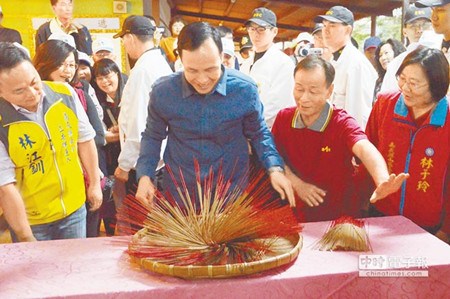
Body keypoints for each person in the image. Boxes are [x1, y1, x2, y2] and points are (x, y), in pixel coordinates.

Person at [135, 22, 294, 208]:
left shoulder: (244, 90)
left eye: (211, 69)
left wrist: (274, 168)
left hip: (231, 195)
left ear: (222, 56)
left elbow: (259, 133)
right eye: (192, 71)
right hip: (181, 195)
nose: (202, 80)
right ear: (180, 60)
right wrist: (145, 175)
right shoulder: (163, 92)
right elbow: (153, 136)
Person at [272, 55, 407, 222]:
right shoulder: (284, 118)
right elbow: (274, 156)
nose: (304, 98)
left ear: (329, 91)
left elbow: (364, 148)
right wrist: (297, 183)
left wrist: (382, 179)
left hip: (337, 217)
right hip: (294, 216)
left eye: (313, 91)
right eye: (299, 89)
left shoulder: (341, 122)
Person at [0, 42, 102, 242]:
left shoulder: (65, 93)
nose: (32, 93)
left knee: (74, 268)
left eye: (34, 82)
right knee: (38, 273)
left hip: (74, 209)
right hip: (32, 220)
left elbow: (85, 139)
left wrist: (95, 184)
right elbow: (5, 186)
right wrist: (25, 236)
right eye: (19, 91)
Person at [366, 46, 449, 243]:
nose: (404, 88)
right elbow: (367, 153)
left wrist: (446, 230)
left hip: (428, 226)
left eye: (414, 83)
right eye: (402, 79)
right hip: (381, 215)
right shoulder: (385, 104)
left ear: (436, 86)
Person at [33, 39, 106, 237]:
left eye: (72, 65)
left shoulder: (70, 93)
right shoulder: (19, 101)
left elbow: (89, 138)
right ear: (44, 63)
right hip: (34, 209)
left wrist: (93, 184)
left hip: (72, 201)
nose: (67, 70)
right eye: (61, 64)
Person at [112, 16, 172, 196]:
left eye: (123, 40)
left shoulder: (142, 71)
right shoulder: (160, 63)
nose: (124, 45)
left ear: (129, 38)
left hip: (146, 166)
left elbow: (139, 124)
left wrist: (125, 164)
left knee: (145, 222)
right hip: (160, 160)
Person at [314, 6, 377, 129]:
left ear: (348, 30)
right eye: (324, 25)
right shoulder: (333, 60)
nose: (325, 31)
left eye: (332, 25)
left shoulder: (356, 64)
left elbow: (358, 117)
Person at [240, 7, 295, 129]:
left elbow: (277, 105)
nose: (255, 34)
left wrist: (249, 126)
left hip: (270, 132)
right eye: (252, 29)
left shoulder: (283, 63)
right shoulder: (246, 64)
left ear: (274, 31)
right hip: (245, 130)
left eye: (261, 29)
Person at [380, 4, 432, 93]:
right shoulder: (396, 64)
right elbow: (387, 97)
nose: (419, 30)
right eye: (413, 26)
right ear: (404, 31)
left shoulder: (444, 56)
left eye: (425, 25)